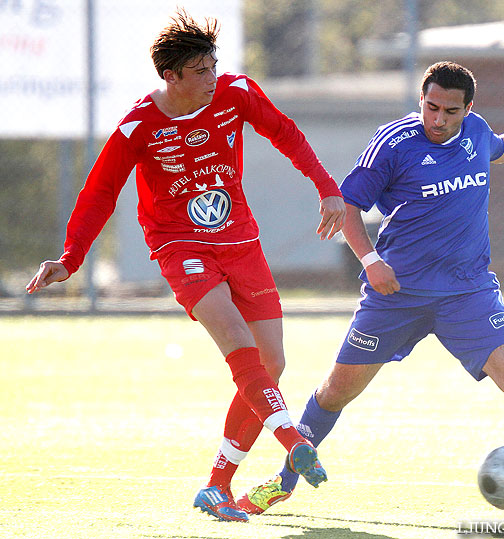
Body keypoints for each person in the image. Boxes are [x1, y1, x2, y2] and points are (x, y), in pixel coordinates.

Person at [236, 61, 504, 523]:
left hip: (467, 292)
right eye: (431, 107)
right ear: (422, 100)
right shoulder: (393, 143)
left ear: (467, 109)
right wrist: (371, 261)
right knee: (336, 393)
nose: (438, 119)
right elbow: (349, 204)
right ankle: (283, 481)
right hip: (397, 294)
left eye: (450, 111)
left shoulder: (476, 132)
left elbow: (502, 148)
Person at [25, 10, 345, 524]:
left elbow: (285, 133)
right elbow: (99, 193)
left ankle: (216, 487)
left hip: (240, 240)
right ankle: (292, 438)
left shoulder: (236, 93)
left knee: (272, 365)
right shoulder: (138, 125)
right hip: (179, 246)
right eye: (200, 70)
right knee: (236, 339)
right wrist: (71, 258)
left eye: (214, 65)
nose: (212, 77)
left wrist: (327, 188)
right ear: (169, 76)